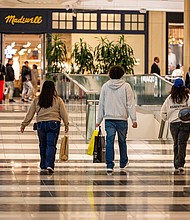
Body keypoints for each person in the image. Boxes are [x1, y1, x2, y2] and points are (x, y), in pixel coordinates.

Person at [20, 80, 69, 174]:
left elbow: (30, 113)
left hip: (41, 124)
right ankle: (49, 165)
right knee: (51, 145)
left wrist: (24, 124)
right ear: (53, 89)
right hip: (54, 124)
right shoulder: (57, 100)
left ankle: (43, 164)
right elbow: (63, 113)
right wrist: (66, 124)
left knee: (42, 145)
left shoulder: (37, 100)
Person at [96, 65, 137, 175]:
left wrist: (98, 120)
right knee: (122, 141)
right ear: (121, 74)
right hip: (122, 119)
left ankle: (110, 165)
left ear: (110, 74)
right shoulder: (126, 86)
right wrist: (134, 119)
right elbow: (130, 104)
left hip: (109, 119)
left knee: (109, 141)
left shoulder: (105, 86)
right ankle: (123, 162)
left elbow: (102, 105)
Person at [161, 78, 190, 173]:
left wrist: (166, 118)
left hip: (173, 123)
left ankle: (176, 163)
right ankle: (180, 163)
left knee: (176, 143)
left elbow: (163, 111)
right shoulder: (188, 97)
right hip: (185, 123)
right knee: (182, 143)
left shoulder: (170, 98)